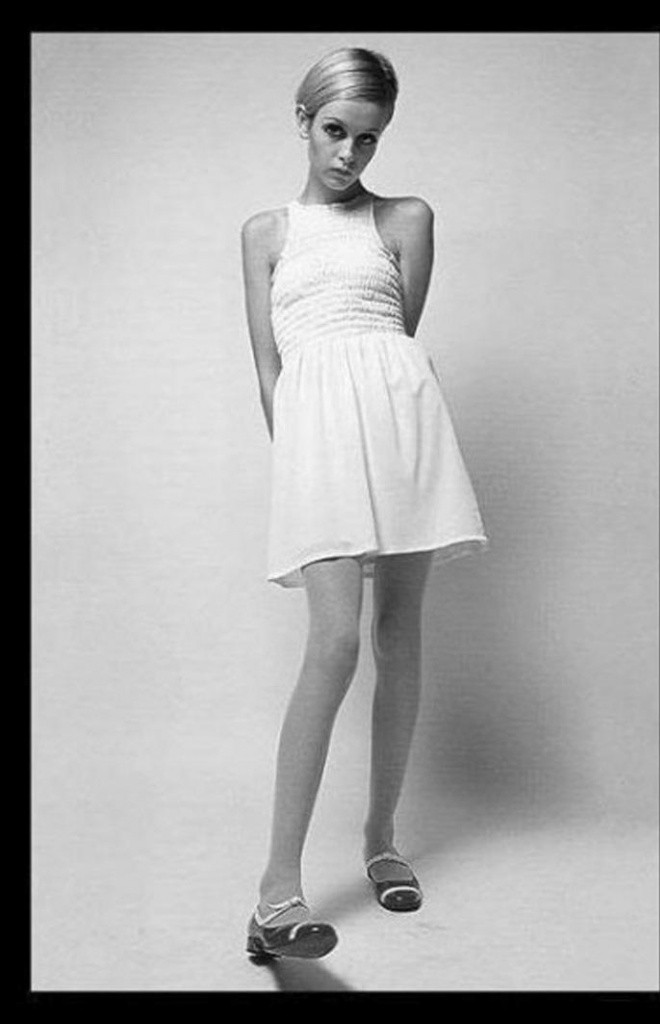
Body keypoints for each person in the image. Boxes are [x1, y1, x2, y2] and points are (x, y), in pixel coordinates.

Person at [241, 46, 488, 960]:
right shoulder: (265, 232)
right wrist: (302, 459)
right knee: (335, 642)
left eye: (368, 138)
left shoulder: (406, 218)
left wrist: (376, 416)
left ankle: (381, 841)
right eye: (335, 131)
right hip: (318, 438)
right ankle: (275, 895)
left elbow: (395, 340)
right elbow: (269, 366)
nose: (349, 154)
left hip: (400, 421)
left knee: (397, 635)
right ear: (303, 122)